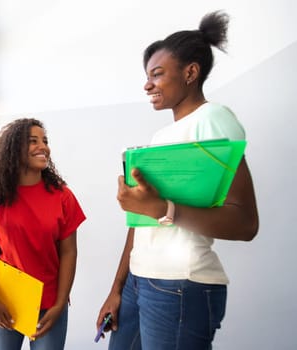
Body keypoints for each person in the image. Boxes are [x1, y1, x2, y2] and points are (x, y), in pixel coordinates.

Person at [97, 10, 259, 350]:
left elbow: (245, 223)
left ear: (190, 73)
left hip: (180, 286)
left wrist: (163, 208)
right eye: (147, 76)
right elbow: (140, 221)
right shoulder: (159, 137)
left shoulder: (213, 119)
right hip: (139, 281)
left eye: (157, 74)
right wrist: (117, 288)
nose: (147, 84)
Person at [0, 118, 86, 350]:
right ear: (13, 149)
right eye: (33, 141)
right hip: (3, 301)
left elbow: (69, 252)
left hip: (49, 305)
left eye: (45, 141)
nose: (43, 147)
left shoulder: (63, 196)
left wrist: (60, 303)